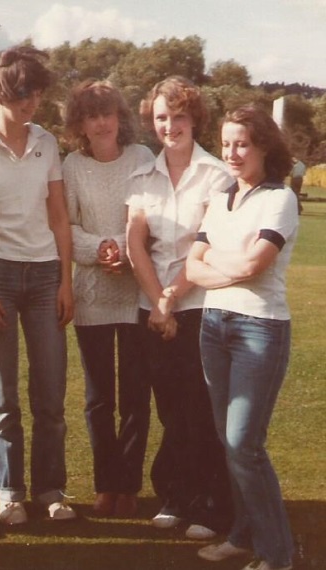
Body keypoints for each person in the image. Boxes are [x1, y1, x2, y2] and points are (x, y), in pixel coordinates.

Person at [0, 45, 76, 525]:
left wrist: (66, 281)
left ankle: (51, 491)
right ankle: (10, 492)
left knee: (50, 391)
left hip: (46, 273)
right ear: (4, 91)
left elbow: (60, 216)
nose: (33, 104)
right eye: (25, 94)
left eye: (38, 94)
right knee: (2, 393)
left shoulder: (46, 141)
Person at [188, 105, 297, 570]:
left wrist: (217, 267)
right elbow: (191, 267)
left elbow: (257, 265)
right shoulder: (220, 197)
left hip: (260, 328)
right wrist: (224, 269)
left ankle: (278, 554)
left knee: (243, 444)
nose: (232, 153)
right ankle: (241, 534)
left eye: (242, 144)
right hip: (214, 327)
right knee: (228, 441)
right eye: (227, 143)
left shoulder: (280, 199)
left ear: (264, 147)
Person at [125, 76, 234, 539]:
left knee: (200, 407)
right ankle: (174, 493)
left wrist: (171, 298)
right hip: (152, 309)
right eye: (162, 118)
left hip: (200, 304)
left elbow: (209, 245)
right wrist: (157, 302)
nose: (171, 126)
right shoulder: (141, 176)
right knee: (169, 407)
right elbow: (135, 242)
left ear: (195, 118)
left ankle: (208, 502)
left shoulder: (217, 175)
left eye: (179, 116)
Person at [62, 79, 154, 518]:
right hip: (92, 297)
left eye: (107, 113)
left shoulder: (142, 158)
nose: (100, 123)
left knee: (136, 394)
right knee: (99, 398)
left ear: (120, 118)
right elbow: (68, 228)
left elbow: (152, 219)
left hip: (137, 292)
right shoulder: (72, 166)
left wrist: (124, 249)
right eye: (91, 116)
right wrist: (101, 251)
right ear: (79, 124)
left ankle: (129, 486)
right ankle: (106, 485)